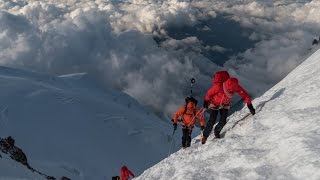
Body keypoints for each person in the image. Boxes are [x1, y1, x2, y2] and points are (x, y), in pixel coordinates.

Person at [201, 71, 255, 144]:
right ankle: (205, 136)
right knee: (212, 121)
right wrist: (206, 102)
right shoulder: (218, 87)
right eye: (230, 91)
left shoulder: (235, 86)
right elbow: (209, 93)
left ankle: (217, 131)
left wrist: (249, 105)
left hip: (225, 104)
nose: (232, 92)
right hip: (215, 104)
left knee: (223, 121)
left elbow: (244, 95)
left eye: (233, 91)